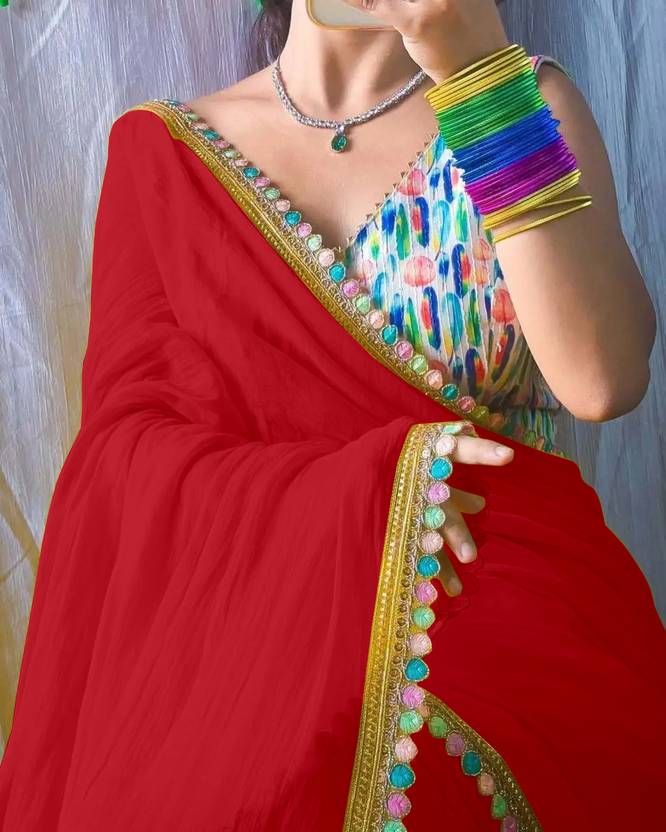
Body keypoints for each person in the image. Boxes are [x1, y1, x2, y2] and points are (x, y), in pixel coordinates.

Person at [1, 1, 664, 829]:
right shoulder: (166, 155)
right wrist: (378, 485)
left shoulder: (524, 101)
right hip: (256, 641)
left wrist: (477, 78)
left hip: (508, 622)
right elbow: (124, 464)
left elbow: (603, 381)